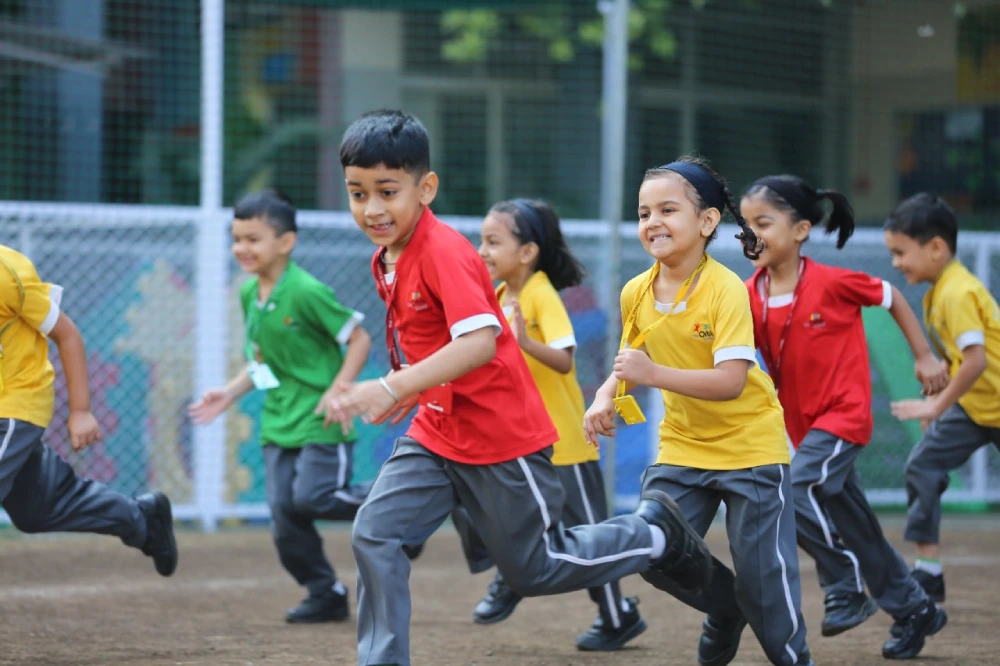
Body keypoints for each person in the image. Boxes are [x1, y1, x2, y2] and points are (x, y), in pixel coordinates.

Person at [328, 109, 713, 666]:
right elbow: (439, 341)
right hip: (437, 431)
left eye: (387, 191)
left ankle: (652, 534)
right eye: (357, 193)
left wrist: (392, 385)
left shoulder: (444, 252)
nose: (372, 208)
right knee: (375, 533)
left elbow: (482, 340)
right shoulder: (386, 258)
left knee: (535, 568)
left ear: (425, 187)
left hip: (500, 437)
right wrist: (415, 389)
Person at [584, 156, 813, 666]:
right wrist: (604, 397)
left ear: (707, 222)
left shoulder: (726, 288)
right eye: (644, 213)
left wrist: (651, 376)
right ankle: (726, 609)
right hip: (683, 447)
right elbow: (629, 363)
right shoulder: (635, 291)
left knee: (764, 583)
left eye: (668, 209)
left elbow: (731, 382)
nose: (652, 223)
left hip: (750, 447)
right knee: (654, 550)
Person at [742, 175, 949, 659]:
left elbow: (892, 296)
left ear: (801, 230)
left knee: (797, 487)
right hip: (804, 428)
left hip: (842, 418)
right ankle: (914, 607)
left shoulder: (834, 282)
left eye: (764, 222)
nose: (752, 233)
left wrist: (923, 356)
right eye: (746, 224)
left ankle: (845, 584)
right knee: (857, 527)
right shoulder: (748, 294)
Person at [450, 198, 646, 651]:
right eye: (481, 240)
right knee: (500, 514)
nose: (481, 250)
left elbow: (564, 359)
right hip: (523, 443)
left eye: (492, 241)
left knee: (593, 533)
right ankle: (509, 577)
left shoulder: (539, 293)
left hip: (567, 443)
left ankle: (617, 617)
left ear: (527, 252)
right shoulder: (499, 298)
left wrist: (523, 343)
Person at [189, 190, 375, 624]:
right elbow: (264, 364)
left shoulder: (307, 291)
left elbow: (360, 339)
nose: (242, 249)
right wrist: (229, 392)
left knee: (313, 497)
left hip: (323, 418)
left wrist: (339, 389)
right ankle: (325, 592)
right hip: (279, 422)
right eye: (237, 239)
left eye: (253, 239)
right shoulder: (248, 293)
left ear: (286, 242)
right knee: (284, 518)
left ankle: (399, 507)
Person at [0, 245, 177, 576]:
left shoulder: (6, 274)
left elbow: (67, 335)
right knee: (38, 509)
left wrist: (81, 411)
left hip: (12, 407)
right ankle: (141, 519)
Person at [885, 192, 1000, 606]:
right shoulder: (937, 294)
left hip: (990, 404)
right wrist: (939, 402)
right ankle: (928, 571)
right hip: (976, 409)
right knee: (924, 465)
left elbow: (977, 360)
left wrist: (936, 406)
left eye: (901, 252)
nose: (896, 263)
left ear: (936, 247)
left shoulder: (958, 292)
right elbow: (958, 363)